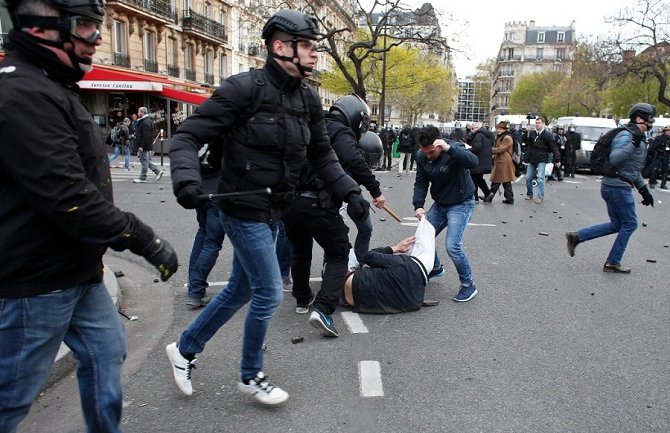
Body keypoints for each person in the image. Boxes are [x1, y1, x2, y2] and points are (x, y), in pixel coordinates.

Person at [165, 9, 368, 405]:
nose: (314, 54)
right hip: (240, 209)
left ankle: (185, 348)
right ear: (281, 47)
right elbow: (187, 136)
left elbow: (324, 156)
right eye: (307, 46)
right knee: (268, 291)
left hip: (275, 210)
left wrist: (351, 194)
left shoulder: (308, 98)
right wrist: (185, 181)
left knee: (241, 288)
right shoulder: (242, 89)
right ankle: (250, 374)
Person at [0, 0, 179, 431]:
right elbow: (69, 196)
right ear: (42, 27)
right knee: (11, 397)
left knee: (106, 351)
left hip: (77, 269)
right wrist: (143, 238)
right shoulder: (21, 93)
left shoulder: (51, 84)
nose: (96, 39)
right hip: (36, 279)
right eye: (84, 26)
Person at [283, 94, 383, 334]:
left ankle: (301, 298)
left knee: (300, 250)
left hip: (291, 201)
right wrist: (374, 189)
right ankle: (324, 308)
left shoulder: (310, 125)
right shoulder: (339, 131)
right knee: (339, 252)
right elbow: (354, 160)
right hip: (318, 202)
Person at [565, 103, 656, 273]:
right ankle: (613, 262)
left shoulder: (635, 137)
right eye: (650, 119)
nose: (652, 122)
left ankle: (577, 237)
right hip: (617, 187)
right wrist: (633, 145)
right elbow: (615, 159)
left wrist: (644, 190)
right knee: (630, 224)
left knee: (617, 224)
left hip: (615, 186)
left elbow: (632, 169)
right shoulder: (627, 136)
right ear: (639, 118)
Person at [413, 125, 479, 302]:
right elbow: (420, 183)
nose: (427, 155)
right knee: (422, 237)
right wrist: (418, 206)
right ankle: (435, 268)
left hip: (461, 203)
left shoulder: (454, 149)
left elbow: (474, 162)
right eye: (424, 151)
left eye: (431, 152)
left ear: (440, 145)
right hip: (440, 203)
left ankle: (468, 285)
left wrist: (451, 150)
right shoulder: (422, 156)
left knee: (453, 246)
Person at [343, 217, 435, 314]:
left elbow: (369, 256)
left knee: (343, 247)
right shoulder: (417, 300)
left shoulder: (403, 262)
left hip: (348, 282)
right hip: (356, 303)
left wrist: (395, 248)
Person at [185, 138, 226, 309]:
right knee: (212, 242)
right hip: (217, 191)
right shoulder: (226, 130)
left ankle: (193, 285)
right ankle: (195, 289)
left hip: (201, 187)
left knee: (203, 233)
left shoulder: (202, 129)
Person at [525, 116, 561, 204]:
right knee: (528, 177)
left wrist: (557, 159)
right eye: (536, 123)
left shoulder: (548, 135)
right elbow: (528, 145)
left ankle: (540, 196)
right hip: (533, 158)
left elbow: (554, 147)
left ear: (543, 124)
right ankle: (530, 193)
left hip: (542, 157)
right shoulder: (532, 134)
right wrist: (526, 132)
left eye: (539, 123)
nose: (537, 125)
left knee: (540, 177)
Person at [483, 121, 516, 204]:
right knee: (505, 180)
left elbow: (500, 149)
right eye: (498, 128)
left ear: (504, 129)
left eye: (500, 129)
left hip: (503, 161)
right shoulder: (503, 136)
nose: (498, 130)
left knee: (498, 180)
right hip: (502, 160)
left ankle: (489, 197)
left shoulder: (507, 138)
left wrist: (487, 150)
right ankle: (509, 198)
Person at [132, 106, 164, 183]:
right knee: (144, 160)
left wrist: (141, 146)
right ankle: (157, 171)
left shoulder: (145, 122)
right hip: (145, 144)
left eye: (139, 112)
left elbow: (146, 136)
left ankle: (142, 178)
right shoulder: (147, 121)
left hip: (143, 145)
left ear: (142, 112)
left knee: (143, 161)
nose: (138, 113)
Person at [467, 122, 493, 202]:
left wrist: (467, 150)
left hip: (478, 161)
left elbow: (476, 148)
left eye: (472, 128)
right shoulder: (486, 135)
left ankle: (475, 198)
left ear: (477, 128)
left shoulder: (478, 136)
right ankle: (488, 193)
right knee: (479, 178)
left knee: (473, 178)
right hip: (484, 160)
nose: (471, 130)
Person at [646, 125, 670, 189]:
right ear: (664, 131)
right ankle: (652, 182)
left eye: (669, 131)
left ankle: (663, 184)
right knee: (655, 169)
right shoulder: (659, 138)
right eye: (667, 131)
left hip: (666, 156)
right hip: (658, 155)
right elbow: (652, 147)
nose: (668, 132)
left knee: (665, 170)